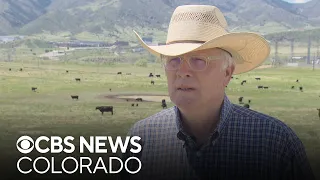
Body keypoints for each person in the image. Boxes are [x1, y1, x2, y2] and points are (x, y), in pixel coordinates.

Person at [120, 4, 315, 180]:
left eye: (198, 60)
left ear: (227, 73)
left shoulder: (274, 143)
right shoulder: (142, 138)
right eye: (173, 60)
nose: (182, 71)